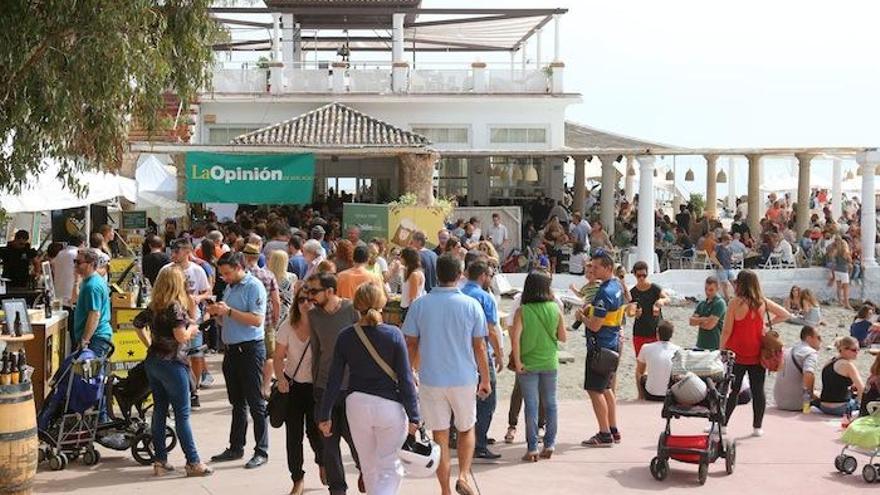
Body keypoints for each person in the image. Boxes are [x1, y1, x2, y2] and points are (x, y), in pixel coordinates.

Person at [318, 283, 420, 495]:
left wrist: (325, 413)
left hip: (356, 404)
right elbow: (405, 378)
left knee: (369, 467)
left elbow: (334, 379)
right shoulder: (393, 335)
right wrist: (414, 416)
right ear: (382, 303)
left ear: (357, 305)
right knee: (391, 468)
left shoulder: (345, 336)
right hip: (389, 406)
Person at [403, 254, 491, 495]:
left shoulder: (420, 304)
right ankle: (463, 475)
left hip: (431, 378)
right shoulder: (471, 305)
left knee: (439, 436)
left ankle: (445, 490)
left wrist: (408, 373)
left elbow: (410, 343)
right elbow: (480, 346)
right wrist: (485, 378)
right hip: (463, 378)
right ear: (460, 274)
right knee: (466, 429)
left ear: (436, 275)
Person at [132, 266, 212, 477]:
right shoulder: (174, 307)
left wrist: (149, 343)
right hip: (173, 363)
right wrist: (193, 329)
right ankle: (193, 462)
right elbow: (181, 336)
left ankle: (160, 460)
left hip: (154, 362)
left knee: (159, 410)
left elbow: (137, 324)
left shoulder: (155, 306)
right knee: (182, 414)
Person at [207, 252, 270, 470]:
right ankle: (236, 446)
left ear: (238, 267)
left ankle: (261, 450)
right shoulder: (230, 286)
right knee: (237, 402)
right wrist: (217, 314)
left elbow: (256, 320)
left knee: (255, 402)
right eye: (222, 274)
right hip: (232, 350)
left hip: (250, 350)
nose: (224, 277)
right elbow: (228, 320)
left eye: (227, 273)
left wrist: (229, 312)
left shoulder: (254, 286)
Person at [305, 272, 363, 494]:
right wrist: (315, 385)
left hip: (351, 387)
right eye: (308, 291)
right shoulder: (314, 316)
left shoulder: (351, 310)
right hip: (324, 387)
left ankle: (364, 470)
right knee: (328, 444)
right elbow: (316, 350)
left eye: (314, 291)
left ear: (329, 291)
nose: (310, 296)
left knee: (354, 438)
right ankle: (337, 489)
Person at [720, 270, 791, 437]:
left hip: (736, 352)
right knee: (758, 390)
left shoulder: (735, 303)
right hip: (757, 352)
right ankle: (757, 427)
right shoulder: (762, 302)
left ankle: (723, 425)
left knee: (733, 390)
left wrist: (721, 349)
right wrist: (767, 323)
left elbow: (727, 330)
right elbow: (785, 314)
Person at [510, 270, 565, 461]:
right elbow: (563, 337)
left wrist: (517, 363)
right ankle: (550, 444)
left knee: (531, 406)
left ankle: (532, 448)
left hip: (528, 363)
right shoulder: (555, 308)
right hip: (550, 361)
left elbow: (515, 340)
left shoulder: (522, 311)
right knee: (551, 404)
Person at [274, 286, 324, 495]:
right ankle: (297, 478)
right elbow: (277, 357)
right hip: (293, 387)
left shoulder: (321, 325)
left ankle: (323, 462)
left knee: (316, 432)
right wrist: (280, 379)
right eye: (301, 300)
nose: (306, 303)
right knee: (293, 436)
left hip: (315, 388)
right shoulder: (287, 326)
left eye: (310, 300)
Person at [576, 251, 625, 447]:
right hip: (612, 342)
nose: (592, 270)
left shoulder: (604, 292)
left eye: (596, 267)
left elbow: (595, 325)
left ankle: (604, 432)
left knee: (594, 389)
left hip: (600, 345)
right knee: (606, 388)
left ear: (607, 268)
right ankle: (613, 429)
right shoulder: (617, 286)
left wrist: (582, 318)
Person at [460, 260, 504, 461]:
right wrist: (500, 352)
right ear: (483, 276)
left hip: (459, 351)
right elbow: (492, 330)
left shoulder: (459, 293)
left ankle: (466, 435)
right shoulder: (485, 297)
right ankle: (480, 441)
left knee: (464, 396)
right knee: (487, 396)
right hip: (480, 351)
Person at [166, 239, 212, 408]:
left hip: (194, 318)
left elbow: (207, 291)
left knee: (196, 356)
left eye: (176, 252)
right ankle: (183, 389)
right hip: (174, 319)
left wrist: (199, 298)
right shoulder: (167, 270)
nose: (172, 255)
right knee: (178, 356)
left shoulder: (197, 270)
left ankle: (195, 388)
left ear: (186, 252)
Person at [242, 243, 282, 399]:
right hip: (267, 320)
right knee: (269, 356)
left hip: (245, 321)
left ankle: (250, 385)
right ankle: (265, 387)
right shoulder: (268, 275)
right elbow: (276, 301)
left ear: (245, 257)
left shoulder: (242, 275)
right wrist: (276, 320)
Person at [72, 248, 113, 357]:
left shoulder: (92, 286)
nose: (75, 265)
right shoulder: (88, 281)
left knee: (91, 373)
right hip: (95, 338)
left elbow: (94, 314)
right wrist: (76, 282)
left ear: (90, 264)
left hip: (95, 339)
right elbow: (74, 300)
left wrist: (84, 341)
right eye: (74, 261)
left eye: (78, 262)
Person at [627, 261, 669, 359]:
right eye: (639, 275)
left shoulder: (654, 288)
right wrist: (634, 313)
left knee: (656, 361)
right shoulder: (633, 292)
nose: (642, 278)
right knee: (641, 362)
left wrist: (661, 301)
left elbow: (667, 298)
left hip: (656, 331)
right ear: (634, 275)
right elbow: (629, 312)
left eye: (644, 275)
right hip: (640, 332)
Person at [773, 326, 821, 411]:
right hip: (796, 403)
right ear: (809, 338)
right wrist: (812, 394)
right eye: (818, 338)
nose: (821, 341)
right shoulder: (810, 353)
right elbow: (808, 374)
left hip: (779, 400)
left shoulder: (788, 350)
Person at [816, 336, 864, 416]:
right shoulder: (848, 365)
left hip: (823, 406)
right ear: (844, 349)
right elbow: (862, 389)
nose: (857, 353)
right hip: (840, 407)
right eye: (854, 350)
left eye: (858, 350)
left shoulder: (829, 362)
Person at [636, 321, 680, 401]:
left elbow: (640, 371)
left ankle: (640, 396)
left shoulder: (646, 347)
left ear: (657, 333)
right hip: (670, 395)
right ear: (672, 334)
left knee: (641, 373)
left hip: (650, 394)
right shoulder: (678, 349)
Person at [689, 276, 727, 351]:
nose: (707, 292)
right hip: (700, 344)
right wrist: (704, 319)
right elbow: (691, 322)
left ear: (717, 289)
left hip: (714, 346)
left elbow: (710, 325)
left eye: (711, 290)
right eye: (706, 289)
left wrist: (698, 321)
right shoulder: (702, 303)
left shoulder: (719, 303)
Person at [52, 234, 81, 308]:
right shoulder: (78, 254)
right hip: (72, 296)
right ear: (82, 243)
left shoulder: (60, 254)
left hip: (59, 295)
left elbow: (53, 268)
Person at [399, 247, 426, 320]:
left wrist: (410, 315)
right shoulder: (410, 272)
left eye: (401, 256)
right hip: (407, 307)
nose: (399, 258)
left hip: (410, 309)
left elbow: (413, 296)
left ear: (406, 258)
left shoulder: (415, 274)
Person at [829, 236, 853, 309]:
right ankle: (846, 303)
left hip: (837, 270)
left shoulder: (835, 251)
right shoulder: (845, 252)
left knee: (838, 287)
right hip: (844, 271)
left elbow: (832, 260)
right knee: (846, 289)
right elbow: (850, 261)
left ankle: (840, 301)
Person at [710, 234, 735, 299]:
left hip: (729, 267)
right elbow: (712, 257)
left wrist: (733, 259)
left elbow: (731, 257)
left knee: (734, 283)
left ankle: (737, 297)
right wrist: (719, 265)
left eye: (730, 240)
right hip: (722, 268)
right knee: (725, 284)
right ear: (724, 240)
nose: (729, 242)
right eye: (728, 240)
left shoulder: (730, 248)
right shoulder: (718, 247)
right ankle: (727, 299)